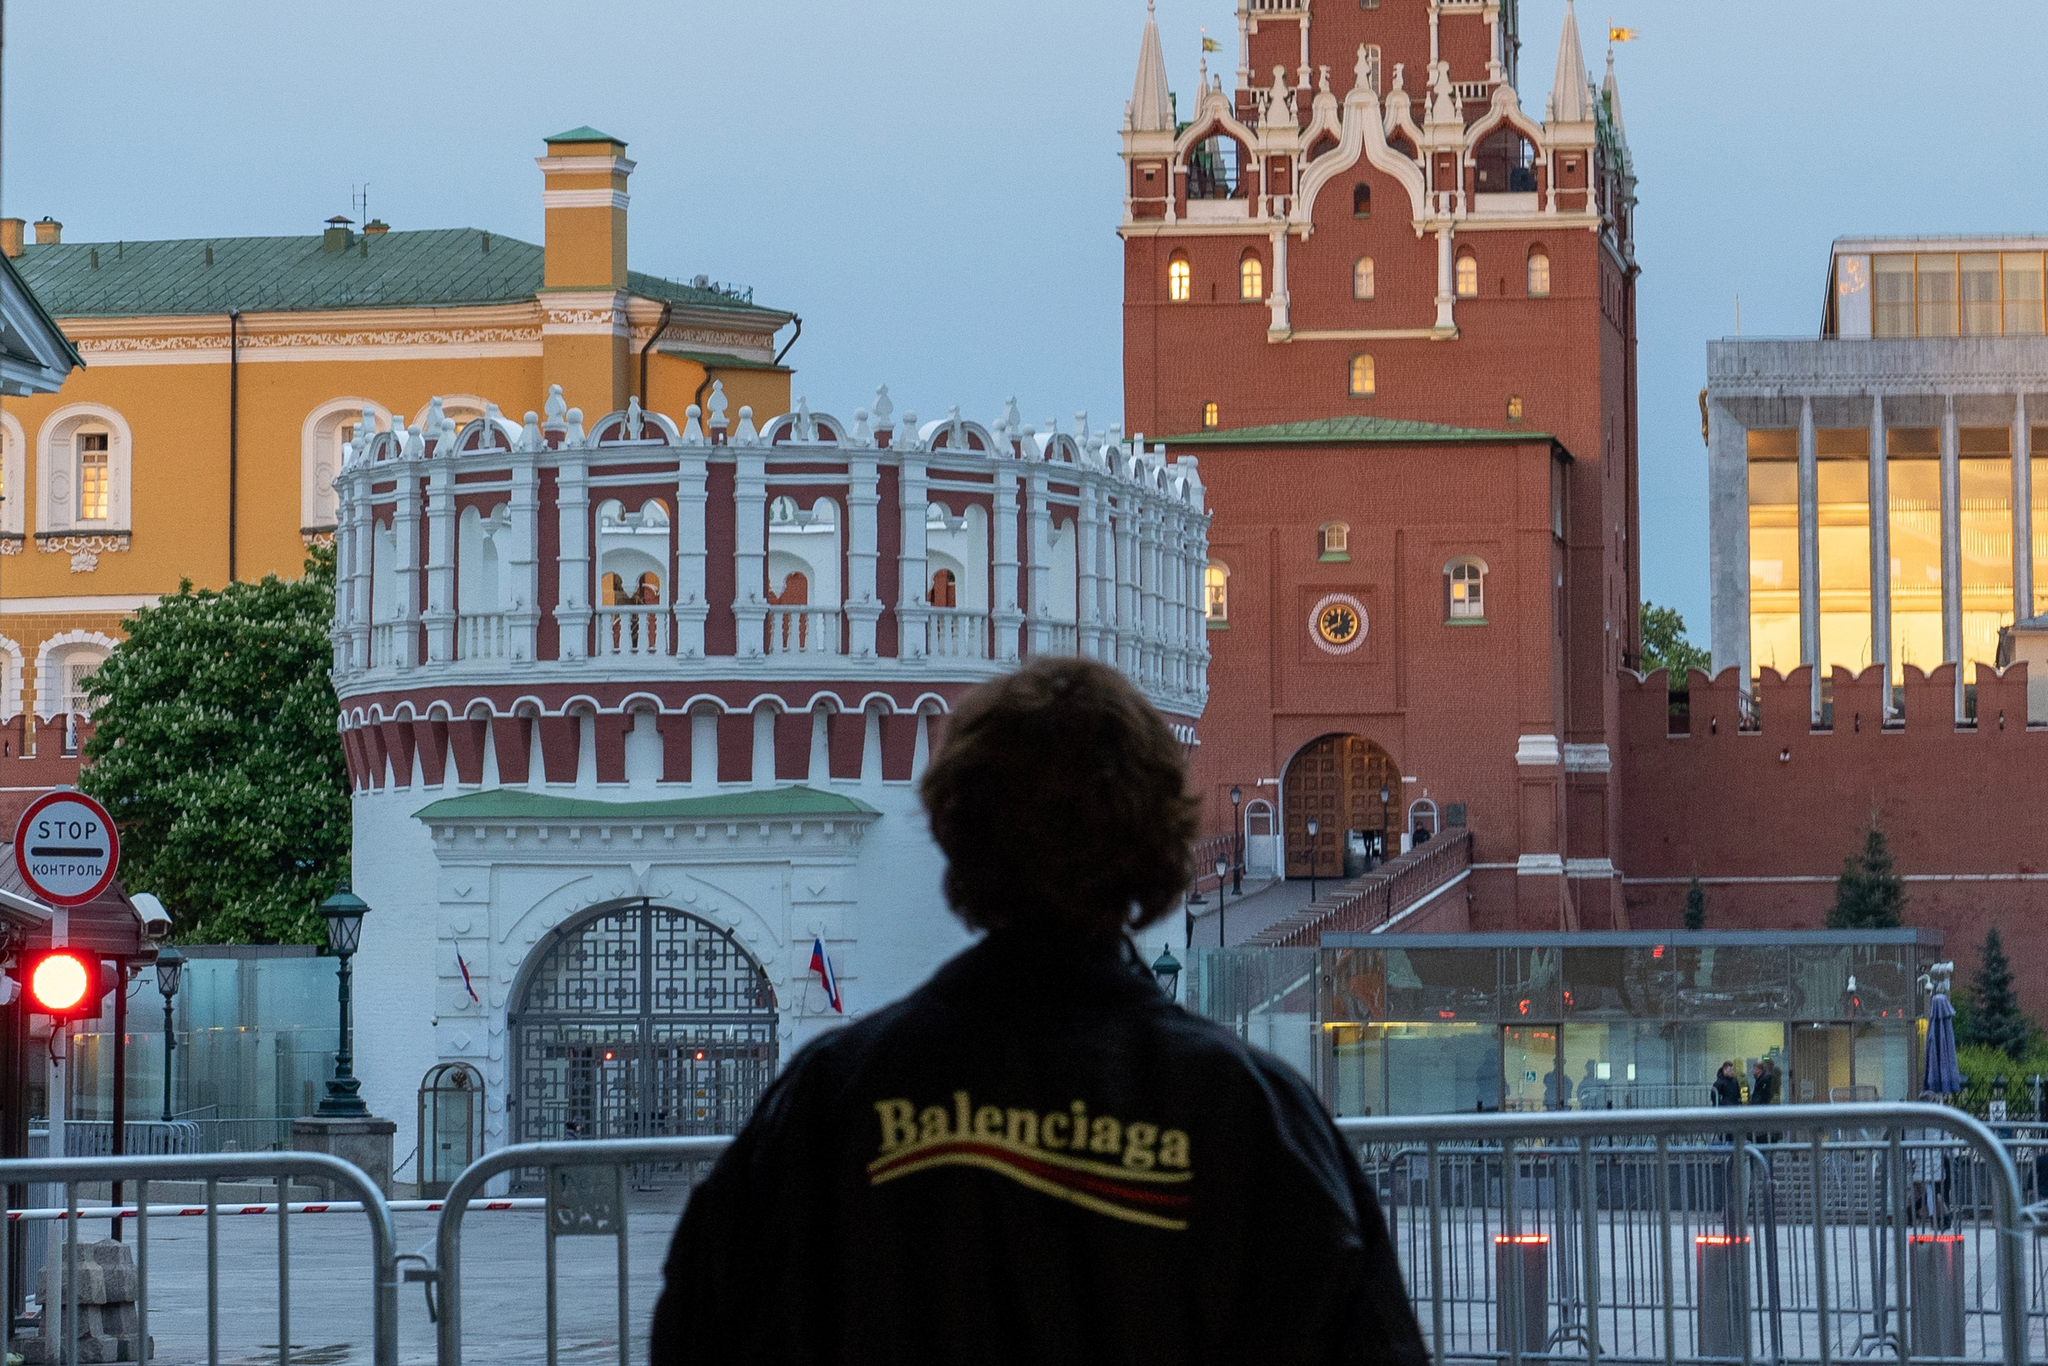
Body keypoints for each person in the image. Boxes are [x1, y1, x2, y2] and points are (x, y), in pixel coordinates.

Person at [651, 658, 1428, 1365]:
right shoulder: (1248, 1117)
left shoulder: (831, 1104)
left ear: (957, 837)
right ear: (1161, 845)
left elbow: (700, 1331)